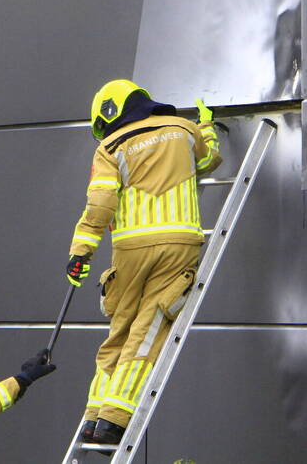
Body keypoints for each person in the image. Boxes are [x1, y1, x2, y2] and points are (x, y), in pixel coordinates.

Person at [66, 79, 221, 445]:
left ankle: (94, 418)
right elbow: (209, 159)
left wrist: (80, 252)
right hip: (178, 243)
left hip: (129, 252)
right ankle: (114, 419)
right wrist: (208, 129)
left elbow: (100, 205)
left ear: (110, 114)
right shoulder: (183, 130)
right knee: (149, 329)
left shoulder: (110, 146)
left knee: (119, 333)